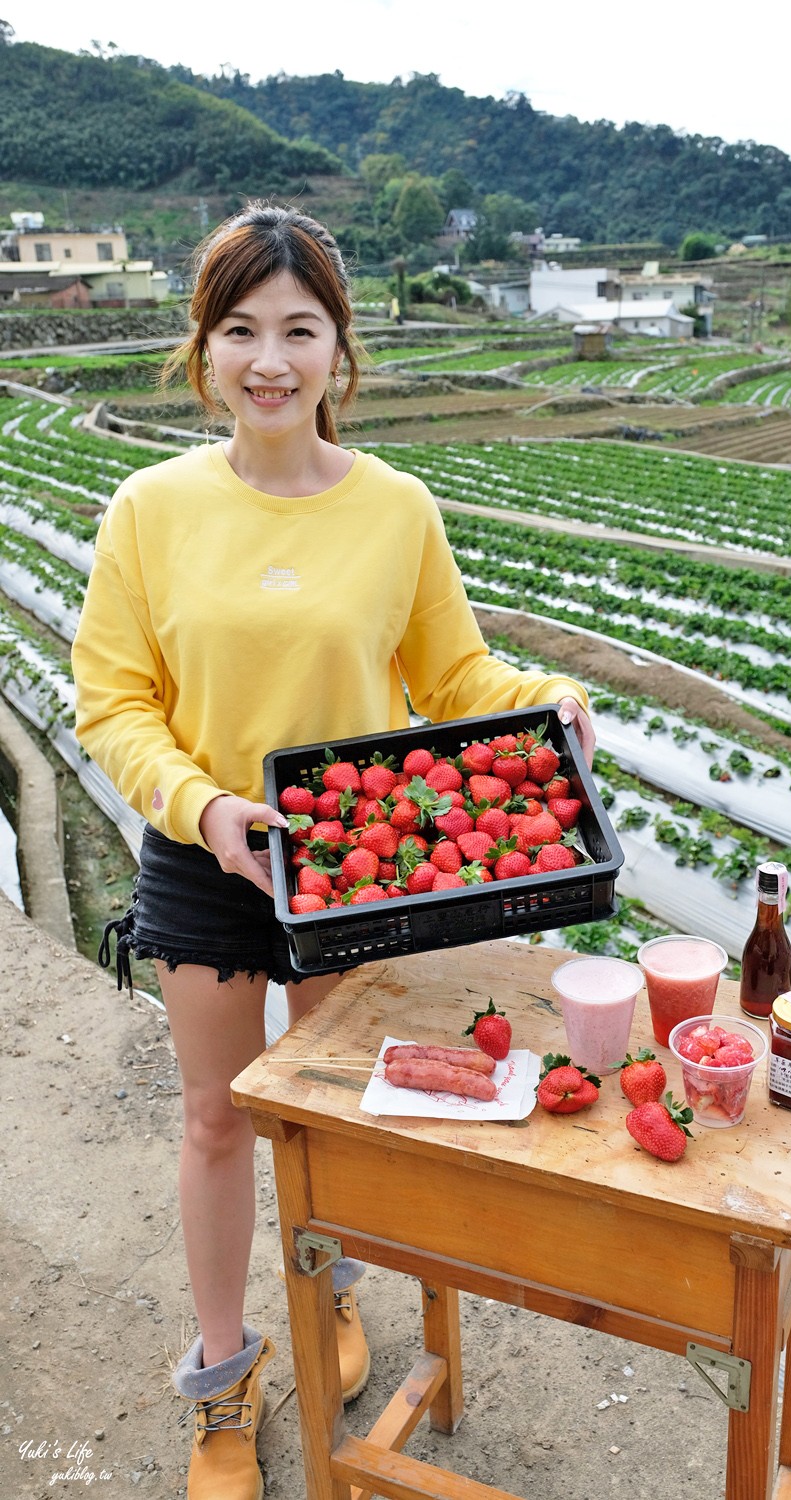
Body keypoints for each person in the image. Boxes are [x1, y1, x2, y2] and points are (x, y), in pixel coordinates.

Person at [71, 202, 593, 1500]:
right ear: (203, 352)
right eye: (240, 329)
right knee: (211, 1121)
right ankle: (222, 1374)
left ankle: (330, 1291)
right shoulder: (150, 510)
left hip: (358, 853)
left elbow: (454, 674)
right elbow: (116, 704)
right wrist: (204, 809)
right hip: (205, 851)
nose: (269, 359)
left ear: (336, 353)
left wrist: (549, 699)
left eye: (298, 330)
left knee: (339, 1126)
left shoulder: (397, 509)